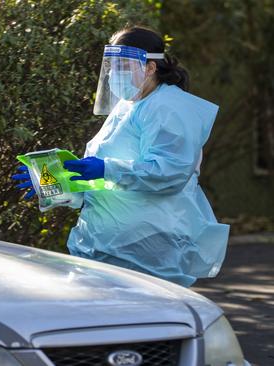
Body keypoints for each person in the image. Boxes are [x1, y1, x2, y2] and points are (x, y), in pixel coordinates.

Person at [13, 26, 229, 287]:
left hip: (146, 248)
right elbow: (102, 180)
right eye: (112, 65)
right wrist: (54, 181)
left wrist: (107, 169)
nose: (115, 73)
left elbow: (169, 171)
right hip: (106, 244)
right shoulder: (127, 107)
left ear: (150, 67)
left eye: (123, 65)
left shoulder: (169, 107)